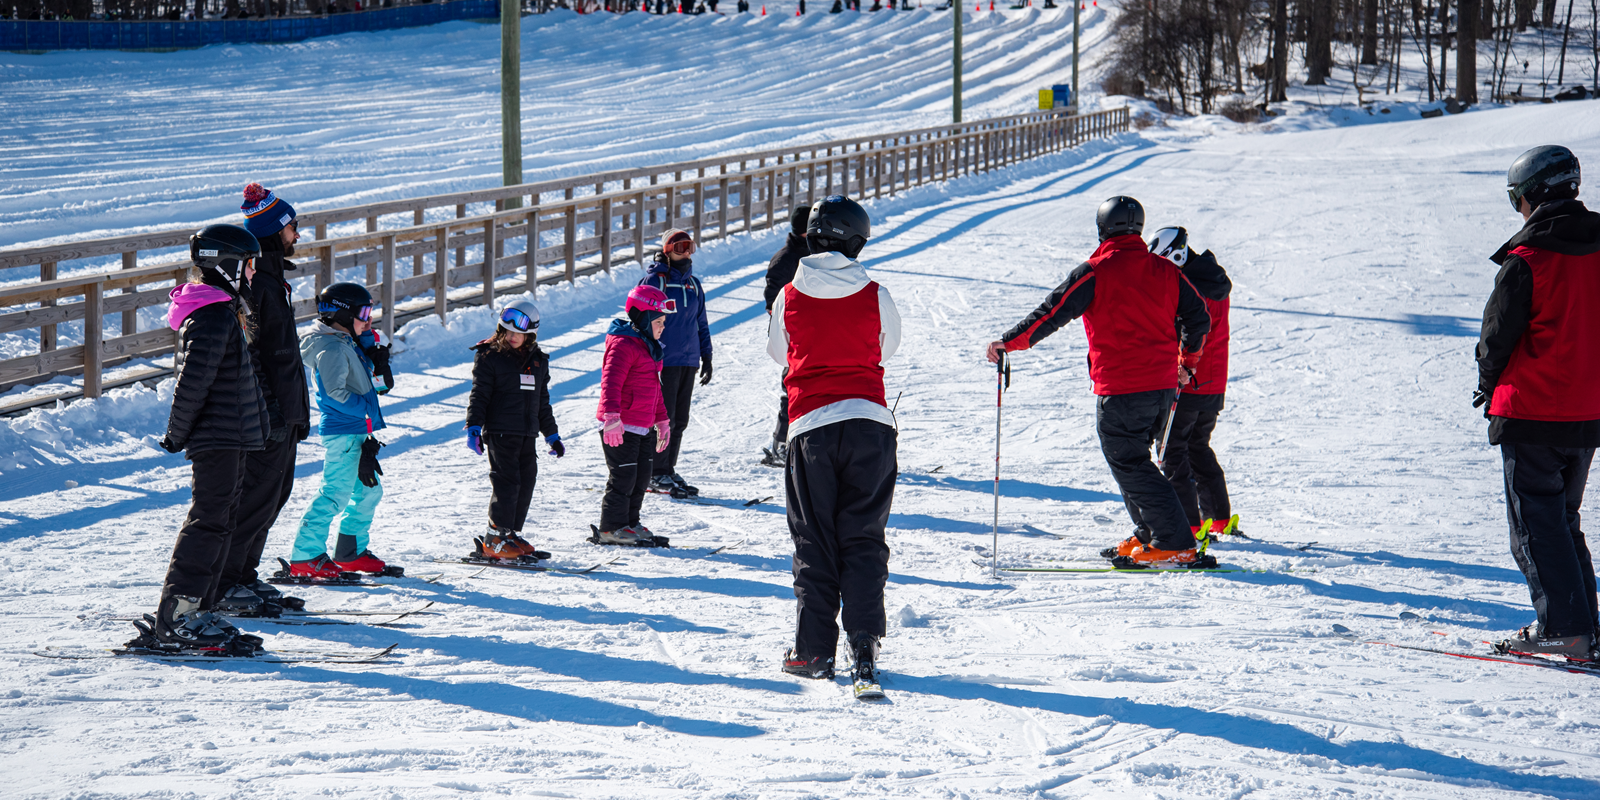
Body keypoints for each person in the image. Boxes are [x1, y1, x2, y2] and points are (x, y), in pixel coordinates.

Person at [985, 196, 1210, 567]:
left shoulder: (1095, 271)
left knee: (1130, 463)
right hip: (1162, 388)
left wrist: (1009, 342)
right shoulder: (1165, 270)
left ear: (1103, 229)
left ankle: (1174, 541)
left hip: (1123, 389)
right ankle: (1150, 531)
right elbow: (1199, 316)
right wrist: (1187, 361)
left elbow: (1052, 313)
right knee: (1133, 461)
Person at [768, 195, 901, 687]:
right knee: (863, 536)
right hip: (869, 423)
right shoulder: (875, 293)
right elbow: (888, 346)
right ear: (857, 242)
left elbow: (778, 352)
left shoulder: (789, 295)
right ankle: (863, 642)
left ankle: (814, 651)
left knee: (815, 538)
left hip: (811, 428)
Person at [1476, 144, 1600, 662]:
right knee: (1561, 521)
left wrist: (1487, 382)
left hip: (1532, 413)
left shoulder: (1528, 259)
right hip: (1587, 415)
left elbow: (1496, 339)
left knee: (1536, 527)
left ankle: (1566, 629)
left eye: (1517, 199)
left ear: (1531, 196)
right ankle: (1583, 627)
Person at [138, 224, 271, 652]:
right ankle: (177, 616)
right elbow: (193, 381)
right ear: (228, 265)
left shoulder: (222, 310)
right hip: (217, 437)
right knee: (208, 522)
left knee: (221, 521)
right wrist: (176, 434)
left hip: (230, 434)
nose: (253, 272)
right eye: (249, 264)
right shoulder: (212, 316)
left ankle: (200, 608)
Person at [212, 183, 311, 616]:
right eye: (292, 226)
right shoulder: (257, 285)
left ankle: (244, 574)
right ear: (274, 231)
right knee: (254, 500)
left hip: (283, 413)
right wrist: (270, 410)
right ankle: (226, 582)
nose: (297, 234)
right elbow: (252, 355)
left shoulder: (272, 279)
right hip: (267, 415)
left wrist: (295, 413)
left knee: (273, 498)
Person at [287, 282, 395, 578]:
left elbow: (374, 385)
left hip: (358, 431)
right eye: (364, 314)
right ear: (344, 315)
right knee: (335, 493)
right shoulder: (332, 348)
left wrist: (372, 355)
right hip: (344, 432)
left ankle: (350, 552)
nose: (369, 321)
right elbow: (333, 394)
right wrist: (366, 408)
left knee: (368, 491)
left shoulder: (346, 343)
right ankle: (305, 555)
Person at [1148, 226, 1240, 545]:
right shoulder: (1211, 278)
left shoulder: (1188, 287)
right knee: (1197, 447)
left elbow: (1183, 333)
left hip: (1190, 380)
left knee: (1172, 451)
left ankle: (1187, 526)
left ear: (1176, 256)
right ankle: (1219, 518)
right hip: (1213, 383)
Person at [465, 298, 564, 560]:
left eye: (518, 333)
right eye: (507, 331)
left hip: (527, 433)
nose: (512, 336)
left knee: (526, 480)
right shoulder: (490, 356)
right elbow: (479, 394)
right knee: (506, 482)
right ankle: (494, 537)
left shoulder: (538, 361)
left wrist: (551, 434)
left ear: (530, 334)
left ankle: (509, 533)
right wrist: (474, 426)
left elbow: (542, 402)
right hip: (500, 431)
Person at [592, 285, 673, 547]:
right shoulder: (623, 344)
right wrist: (611, 417)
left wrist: (662, 420)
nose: (662, 328)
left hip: (642, 425)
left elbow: (655, 389)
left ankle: (629, 522)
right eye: (658, 322)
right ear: (644, 318)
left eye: (663, 322)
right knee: (623, 478)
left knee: (640, 478)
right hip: (621, 425)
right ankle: (611, 527)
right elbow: (610, 382)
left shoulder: (648, 346)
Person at [639, 228, 713, 498]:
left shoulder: (693, 284)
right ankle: (654, 471)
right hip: (664, 360)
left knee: (679, 419)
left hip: (688, 359)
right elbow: (640, 317)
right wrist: (647, 354)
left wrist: (706, 355)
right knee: (662, 418)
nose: (687, 252)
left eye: (690, 247)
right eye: (681, 247)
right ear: (668, 250)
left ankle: (667, 468)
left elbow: (701, 322)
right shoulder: (655, 281)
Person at [761, 205, 811, 468]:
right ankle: (780, 445)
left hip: (814, 333)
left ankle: (803, 442)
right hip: (795, 336)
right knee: (793, 388)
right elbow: (773, 300)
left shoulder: (815, 253)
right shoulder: (786, 259)